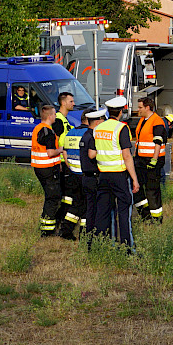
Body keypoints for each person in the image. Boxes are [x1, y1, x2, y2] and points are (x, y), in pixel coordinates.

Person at [90, 96, 140, 247]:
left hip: (103, 176)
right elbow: (127, 156)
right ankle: (127, 247)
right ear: (121, 111)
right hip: (118, 175)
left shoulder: (98, 128)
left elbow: (92, 153)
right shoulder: (121, 128)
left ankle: (102, 245)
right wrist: (135, 179)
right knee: (124, 211)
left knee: (103, 212)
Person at [57, 103, 90, 240]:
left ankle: (66, 230)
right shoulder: (88, 134)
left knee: (76, 203)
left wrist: (70, 166)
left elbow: (64, 151)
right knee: (87, 204)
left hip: (72, 173)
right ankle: (84, 233)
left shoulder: (71, 133)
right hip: (84, 174)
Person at [30, 102, 64, 237]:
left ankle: (47, 226)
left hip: (40, 167)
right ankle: (47, 230)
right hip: (47, 168)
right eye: (55, 114)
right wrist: (62, 149)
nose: (56, 116)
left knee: (51, 196)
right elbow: (50, 153)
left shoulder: (38, 128)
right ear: (50, 116)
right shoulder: (48, 132)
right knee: (53, 198)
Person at [132, 97, 167, 224]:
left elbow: (158, 141)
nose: (138, 110)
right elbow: (139, 141)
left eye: (140, 107)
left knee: (152, 190)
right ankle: (145, 215)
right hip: (140, 160)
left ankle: (157, 219)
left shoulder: (157, 121)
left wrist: (154, 159)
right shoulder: (142, 120)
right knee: (138, 187)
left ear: (148, 107)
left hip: (152, 161)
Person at [79, 108, 103, 240]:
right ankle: (93, 237)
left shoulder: (85, 135)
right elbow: (92, 154)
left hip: (85, 177)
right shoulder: (93, 136)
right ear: (98, 122)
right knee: (94, 209)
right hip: (93, 178)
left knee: (89, 208)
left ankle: (87, 235)